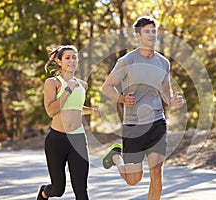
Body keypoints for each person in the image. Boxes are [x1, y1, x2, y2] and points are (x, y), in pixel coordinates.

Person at [101, 16, 184, 200]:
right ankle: (116, 156)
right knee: (133, 179)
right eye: (147, 31)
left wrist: (171, 100)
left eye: (154, 31)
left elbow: (165, 89)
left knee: (156, 171)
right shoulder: (127, 61)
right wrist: (121, 98)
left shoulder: (163, 62)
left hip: (157, 121)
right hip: (133, 124)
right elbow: (107, 87)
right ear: (138, 35)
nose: (152, 35)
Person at [36, 45, 100, 200]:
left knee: (81, 190)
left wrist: (91, 110)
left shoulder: (83, 84)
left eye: (74, 57)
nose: (72, 61)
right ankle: (44, 192)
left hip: (77, 139)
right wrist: (67, 90)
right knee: (58, 189)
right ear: (59, 61)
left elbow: (75, 108)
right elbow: (51, 111)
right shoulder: (52, 83)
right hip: (57, 140)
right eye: (67, 57)